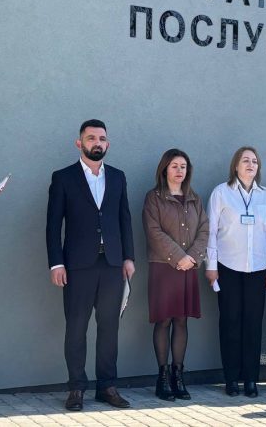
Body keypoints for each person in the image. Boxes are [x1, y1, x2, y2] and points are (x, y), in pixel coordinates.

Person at [46, 120, 135, 411]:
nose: (97, 143)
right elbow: (52, 225)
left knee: (109, 328)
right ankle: (76, 388)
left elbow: (124, 219)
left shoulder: (118, 177)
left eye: (102, 138)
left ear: (107, 144)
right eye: (91, 138)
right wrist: (56, 263)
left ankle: (107, 386)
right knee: (76, 328)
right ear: (79, 143)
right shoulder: (63, 178)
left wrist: (129, 257)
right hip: (77, 266)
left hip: (112, 264)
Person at [205, 146, 266, 398]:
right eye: (245, 160)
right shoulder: (221, 192)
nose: (250, 164)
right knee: (230, 322)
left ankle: (250, 379)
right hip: (228, 267)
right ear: (235, 165)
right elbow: (211, 231)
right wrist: (211, 266)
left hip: (258, 269)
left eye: (254, 161)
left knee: (253, 325)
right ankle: (231, 379)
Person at [142, 149, 209, 401]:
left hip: (188, 267)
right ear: (164, 169)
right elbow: (153, 231)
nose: (179, 170)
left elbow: (204, 229)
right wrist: (178, 256)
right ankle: (162, 377)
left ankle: (177, 375)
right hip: (163, 267)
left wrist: (192, 257)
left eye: (183, 166)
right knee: (164, 321)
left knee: (182, 321)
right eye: (174, 166)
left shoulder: (194, 198)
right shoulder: (154, 198)